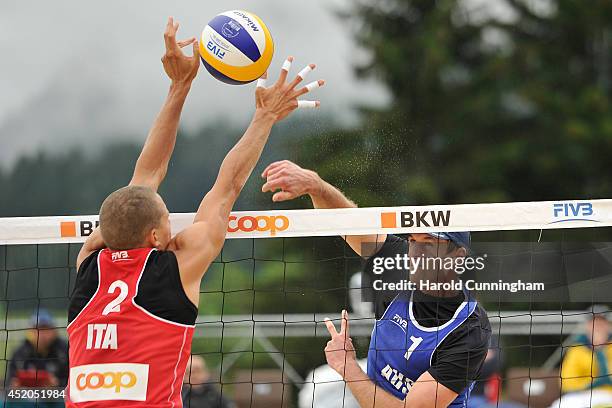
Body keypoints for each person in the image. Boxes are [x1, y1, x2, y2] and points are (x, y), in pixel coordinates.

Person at [65, 17, 324, 407]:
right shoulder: (175, 268)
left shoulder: (89, 264)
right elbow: (226, 189)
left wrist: (179, 86)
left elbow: (144, 180)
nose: (174, 223)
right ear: (155, 237)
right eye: (168, 219)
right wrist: (265, 116)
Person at [260, 160, 491, 408]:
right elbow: (347, 221)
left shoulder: (470, 330)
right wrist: (317, 186)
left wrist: (348, 368)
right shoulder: (394, 264)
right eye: (413, 240)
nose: (416, 251)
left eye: (429, 243)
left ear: (458, 256)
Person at [6, 309, 68, 407]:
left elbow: (72, 387)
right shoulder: (20, 353)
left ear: (54, 331)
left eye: (46, 329)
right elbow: (9, 386)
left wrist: (57, 386)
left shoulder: (65, 351)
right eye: (37, 329)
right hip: (28, 399)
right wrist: (14, 388)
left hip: (57, 399)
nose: (42, 334)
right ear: (30, 332)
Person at [554, 306, 612, 407]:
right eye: (594, 323)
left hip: (608, 394)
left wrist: (601, 349)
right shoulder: (576, 349)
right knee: (559, 405)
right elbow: (566, 382)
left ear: (608, 325)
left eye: (601, 323)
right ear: (588, 326)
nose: (598, 327)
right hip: (583, 395)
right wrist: (592, 382)